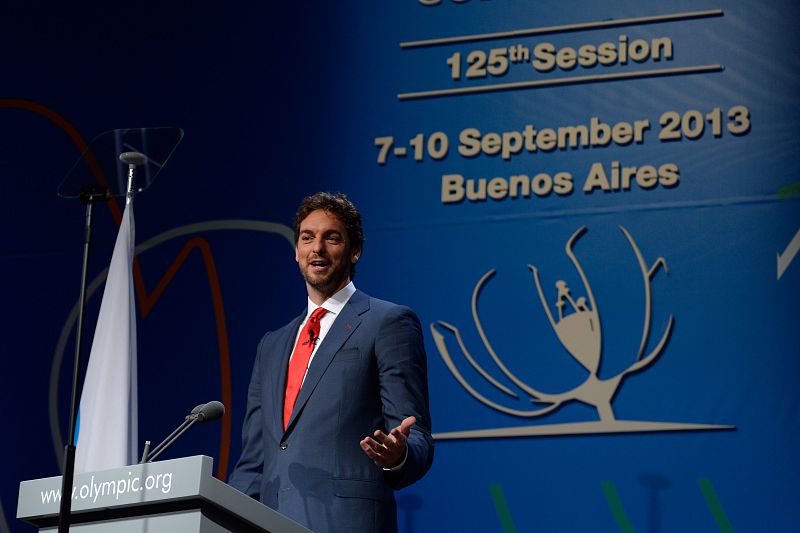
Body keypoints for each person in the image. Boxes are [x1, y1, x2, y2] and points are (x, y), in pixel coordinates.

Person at [228, 192, 434, 533]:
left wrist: (397, 457)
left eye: (331, 238)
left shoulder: (387, 322)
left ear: (355, 251)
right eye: (307, 238)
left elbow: (418, 438)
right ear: (296, 251)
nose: (317, 249)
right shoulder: (272, 345)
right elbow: (253, 462)